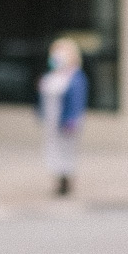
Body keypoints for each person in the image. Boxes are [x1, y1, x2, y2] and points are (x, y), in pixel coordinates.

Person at [36, 37, 88, 197]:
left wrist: (71, 119)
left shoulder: (76, 77)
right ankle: (58, 178)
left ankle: (65, 181)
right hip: (52, 122)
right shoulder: (52, 76)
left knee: (66, 152)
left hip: (67, 122)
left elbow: (77, 100)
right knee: (54, 151)